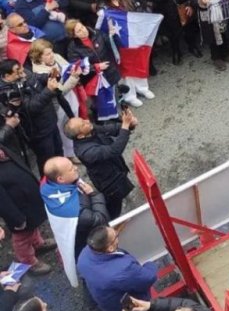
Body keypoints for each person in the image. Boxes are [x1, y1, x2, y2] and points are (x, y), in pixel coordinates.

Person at [77, 225, 156, 311]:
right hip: (128, 307)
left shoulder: (84, 254)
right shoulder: (123, 269)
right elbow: (149, 278)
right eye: (116, 236)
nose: (118, 236)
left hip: (107, 305)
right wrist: (150, 263)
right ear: (109, 248)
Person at [65, 110, 137, 219]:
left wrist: (129, 125)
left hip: (116, 168)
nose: (87, 121)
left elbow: (107, 129)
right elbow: (114, 150)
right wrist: (125, 126)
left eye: (83, 119)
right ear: (80, 136)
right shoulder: (86, 152)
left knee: (122, 192)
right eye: (83, 124)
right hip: (109, 181)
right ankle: (113, 223)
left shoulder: (89, 129)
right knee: (114, 207)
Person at [0, 137, 55, 275]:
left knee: (32, 225)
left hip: (27, 200)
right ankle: (28, 261)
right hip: (17, 209)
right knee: (22, 237)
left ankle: (37, 244)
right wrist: (15, 218)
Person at [42, 156, 110, 259]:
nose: (76, 168)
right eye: (71, 169)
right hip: (86, 244)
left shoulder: (47, 187)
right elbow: (101, 220)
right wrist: (94, 194)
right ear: (60, 179)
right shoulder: (76, 212)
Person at [29, 39, 82, 161]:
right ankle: (70, 154)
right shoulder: (39, 72)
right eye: (47, 54)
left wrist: (75, 70)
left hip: (71, 96)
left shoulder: (56, 57)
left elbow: (68, 67)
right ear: (39, 57)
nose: (52, 55)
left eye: (51, 51)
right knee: (65, 127)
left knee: (75, 118)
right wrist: (74, 77)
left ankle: (78, 144)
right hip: (58, 103)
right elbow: (60, 91)